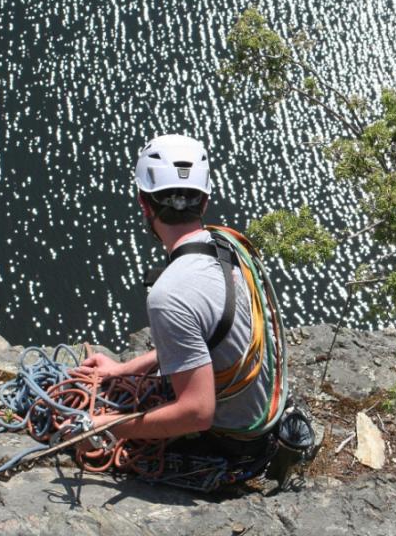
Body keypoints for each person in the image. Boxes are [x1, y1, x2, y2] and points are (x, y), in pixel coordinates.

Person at [76, 134, 284, 465]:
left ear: (143, 203)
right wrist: (124, 370)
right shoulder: (231, 248)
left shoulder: (169, 294)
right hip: (262, 416)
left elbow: (197, 413)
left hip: (228, 440)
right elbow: (202, 338)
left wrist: (102, 427)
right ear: (205, 201)